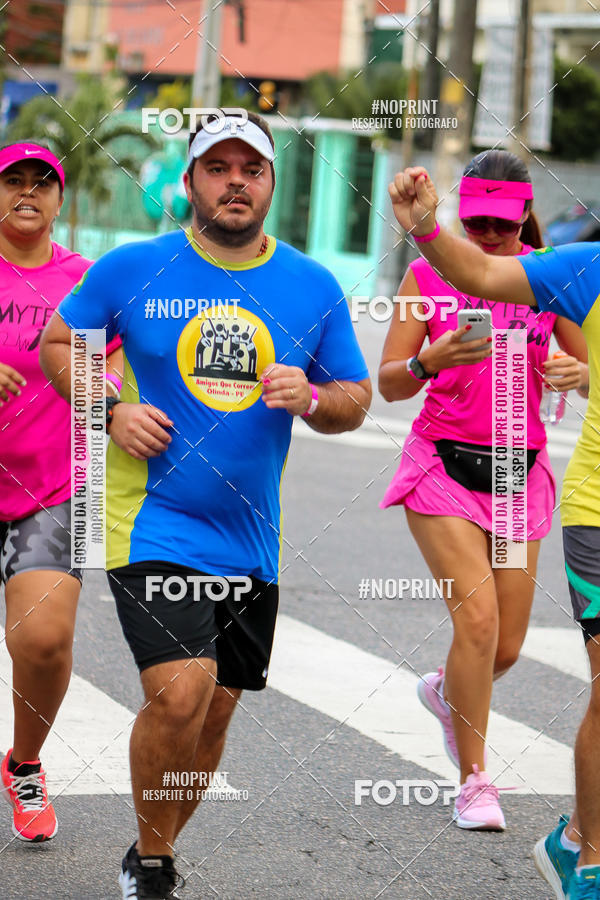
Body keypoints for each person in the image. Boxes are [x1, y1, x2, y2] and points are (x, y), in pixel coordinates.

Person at [39, 111, 371, 899]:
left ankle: (147, 847)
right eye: (216, 168)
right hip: (154, 520)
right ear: (188, 183)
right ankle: (154, 870)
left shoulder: (312, 285)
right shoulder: (132, 271)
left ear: (270, 184)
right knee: (181, 691)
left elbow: (358, 394)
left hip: (252, 539)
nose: (234, 182)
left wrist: (318, 401)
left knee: (215, 712)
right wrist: (109, 407)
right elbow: (60, 345)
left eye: (249, 169)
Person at [388, 163, 600, 899]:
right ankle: (476, 778)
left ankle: (450, 695)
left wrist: (573, 372)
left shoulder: (554, 278)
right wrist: (424, 360)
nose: (487, 236)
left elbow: (584, 357)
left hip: (518, 473)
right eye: (474, 224)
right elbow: (387, 379)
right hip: (443, 468)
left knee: (505, 643)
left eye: (501, 225)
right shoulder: (429, 277)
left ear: (525, 220)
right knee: (477, 623)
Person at [0, 142, 122, 842]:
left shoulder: (87, 282)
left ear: (60, 199)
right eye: (13, 180)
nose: (27, 192)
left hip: (51, 486)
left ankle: (24, 761)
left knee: (44, 640)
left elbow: (113, 370)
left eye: (41, 183)